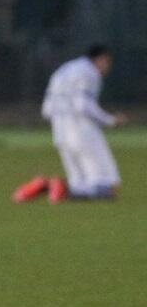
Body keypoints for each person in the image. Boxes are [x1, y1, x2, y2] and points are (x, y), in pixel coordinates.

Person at [13, 44, 126, 204]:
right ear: (101, 59)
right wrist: (110, 120)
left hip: (59, 129)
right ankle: (56, 185)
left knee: (79, 183)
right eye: (107, 62)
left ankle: (44, 185)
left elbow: (47, 108)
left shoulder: (65, 69)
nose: (107, 67)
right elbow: (82, 104)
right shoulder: (90, 72)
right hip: (81, 129)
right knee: (108, 185)